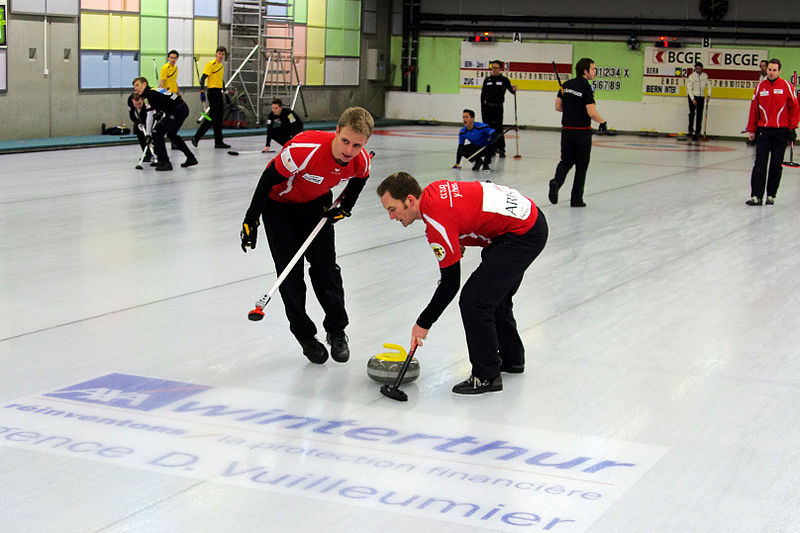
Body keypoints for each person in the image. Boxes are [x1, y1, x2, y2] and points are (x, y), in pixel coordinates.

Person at [377, 172, 548, 395]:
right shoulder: (434, 191)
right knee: (494, 296)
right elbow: (467, 207)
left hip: (522, 234)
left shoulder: (436, 222)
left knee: (475, 301)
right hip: (528, 220)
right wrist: (457, 237)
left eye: (392, 209)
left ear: (409, 200)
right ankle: (512, 358)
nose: (391, 217)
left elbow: (450, 284)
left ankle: (486, 376)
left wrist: (423, 323)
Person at [240, 107, 374, 364]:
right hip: (279, 208)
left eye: (357, 145)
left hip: (316, 207)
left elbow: (359, 179)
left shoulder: (361, 160)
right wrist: (251, 219)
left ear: (365, 143)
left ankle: (336, 331)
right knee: (290, 276)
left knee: (327, 270)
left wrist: (345, 208)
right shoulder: (304, 150)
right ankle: (305, 336)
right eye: (345, 141)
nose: (349, 150)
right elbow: (267, 179)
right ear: (336, 131)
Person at [549, 57, 608, 208]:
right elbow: (591, 112)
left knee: (566, 161)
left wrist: (571, 108)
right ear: (585, 71)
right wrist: (602, 122)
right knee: (581, 167)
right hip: (582, 133)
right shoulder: (587, 88)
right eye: (593, 69)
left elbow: (558, 106)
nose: (595, 71)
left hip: (567, 132)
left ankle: (556, 181)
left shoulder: (566, 85)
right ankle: (576, 200)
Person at [745, 58, 799, 206]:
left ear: (779, 71)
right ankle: (756, 196)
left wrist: (793, 127)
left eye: (774, 70)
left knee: (776, 165)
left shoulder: (786, 86)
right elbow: (754, 109)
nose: (771, 72)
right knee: (760, 164)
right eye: (769, 69)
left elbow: (794, 107)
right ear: (766, 70)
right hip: (764, 132)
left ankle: (771, 195)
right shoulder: (760, 87)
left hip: (781, 132)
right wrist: (751, 129)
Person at [131, 77, 198, 171]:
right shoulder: (154, 90)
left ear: (145, 84)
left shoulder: (148, 94)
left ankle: (165, 162)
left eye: (138, 85)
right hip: (182, 108)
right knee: (171, 134)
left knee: (157, 132)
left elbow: (150, 115)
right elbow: (164, 101)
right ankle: (191, 158)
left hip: (177, 110)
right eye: (134, 87)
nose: (136, 88)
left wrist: (149, 134)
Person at [193, 46, 229, 149]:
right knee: (212, 118)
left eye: (223, 54)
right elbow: (203, 78)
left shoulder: (221, 66)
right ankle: (196, 137)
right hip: (212, 92)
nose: (221, 56)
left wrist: (225, 92)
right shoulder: (211, 64)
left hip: (219, 92)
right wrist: (202, 90)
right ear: (216, 54)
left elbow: (220, 80)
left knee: (219, 119)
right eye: (219, 53)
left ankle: (219, 142)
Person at [480, 60, 517, 157]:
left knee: (498, 128)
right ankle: (491, 148)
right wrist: (482, 107)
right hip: (487, 107)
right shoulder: (487, 80)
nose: (494, 70)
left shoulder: (504, 80)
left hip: (498, 107)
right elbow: (483, 94)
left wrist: (514, 90)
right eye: (493, 68)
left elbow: (511, 91)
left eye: (496, 68)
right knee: (488, 128)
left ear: (500, 69)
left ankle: (501, 149)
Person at [127, 92, 157, 162]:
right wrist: (138, 123)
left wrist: (147, 127)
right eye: (135, 104)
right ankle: (147, 154)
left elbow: (150, 115)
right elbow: (132, 115)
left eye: (139, 103)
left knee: (152, 134)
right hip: (141, 117)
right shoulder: (129, 101)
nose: (138, 106)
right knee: (139, 132)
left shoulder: (147, 100)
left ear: (142, 100)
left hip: (150, 115)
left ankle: (156, 154)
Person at [687, 62, 711, 140]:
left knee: (699, 115)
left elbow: (709, 85)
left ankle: (698, 132)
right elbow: (689, 89)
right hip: (693, 96)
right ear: (695, 68)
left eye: (700, 68)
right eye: (697, 68)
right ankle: (690, 130)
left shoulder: (705, 76)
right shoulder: (691, 76)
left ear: (702, 68)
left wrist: (708, 95)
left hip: (701, 97)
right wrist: (693, 99)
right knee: (692, 113)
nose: (698, 69)